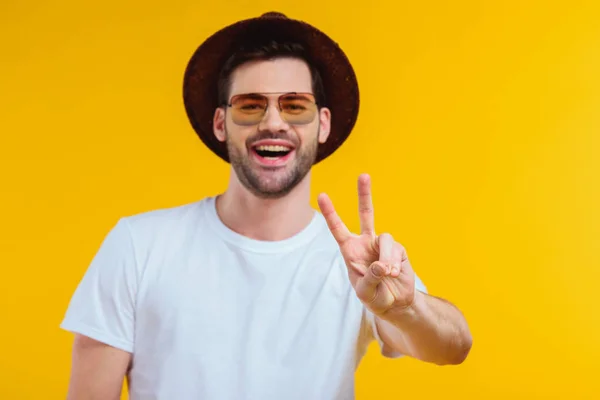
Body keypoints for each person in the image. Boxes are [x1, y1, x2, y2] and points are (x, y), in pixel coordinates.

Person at [60, 11, 472, 400]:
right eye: (250, 105)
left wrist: (406, 307)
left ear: (322, 123)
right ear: (220, 123)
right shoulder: (137, 246)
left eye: (294, 106)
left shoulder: (359, 268)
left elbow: (453, 345)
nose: (273, 123)